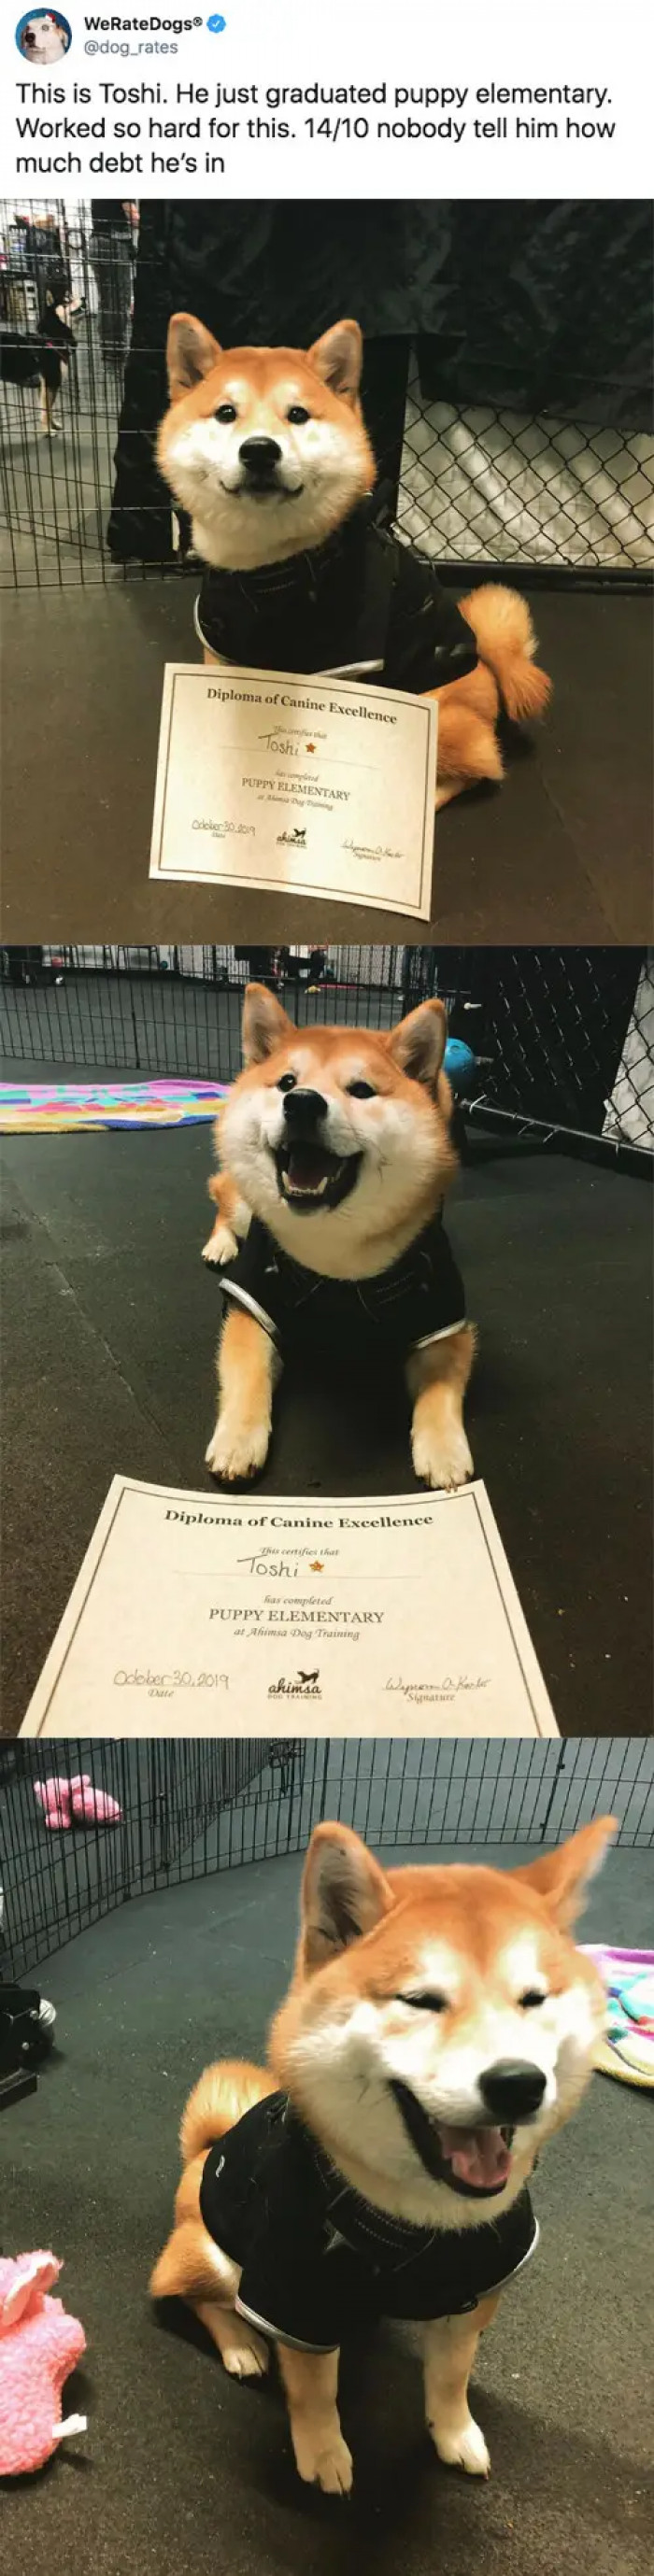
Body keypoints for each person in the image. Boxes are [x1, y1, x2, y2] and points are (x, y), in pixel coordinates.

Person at [89, 202, 137, 370]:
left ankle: (108, 349)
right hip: (114, 243)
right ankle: (117, 349)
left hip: (96, 241)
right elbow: (133, 217)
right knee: (119, 299)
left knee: (106, 301)